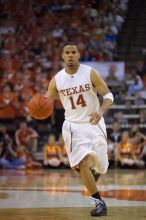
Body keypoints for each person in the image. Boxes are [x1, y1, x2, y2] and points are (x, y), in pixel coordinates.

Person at [45, 43, 114, 216]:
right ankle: (99, 202)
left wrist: (100, 111)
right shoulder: (57, 79)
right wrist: (39, 107)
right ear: (62, 56)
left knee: (102, 167)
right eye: (67, 53)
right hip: (73, 126)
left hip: (94, 122)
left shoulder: (89, 72)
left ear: (78, 55)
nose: (70, 55)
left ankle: (92, 173)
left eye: (73, 52)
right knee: (82, 163)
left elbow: (108, 95)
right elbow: (47, 102)